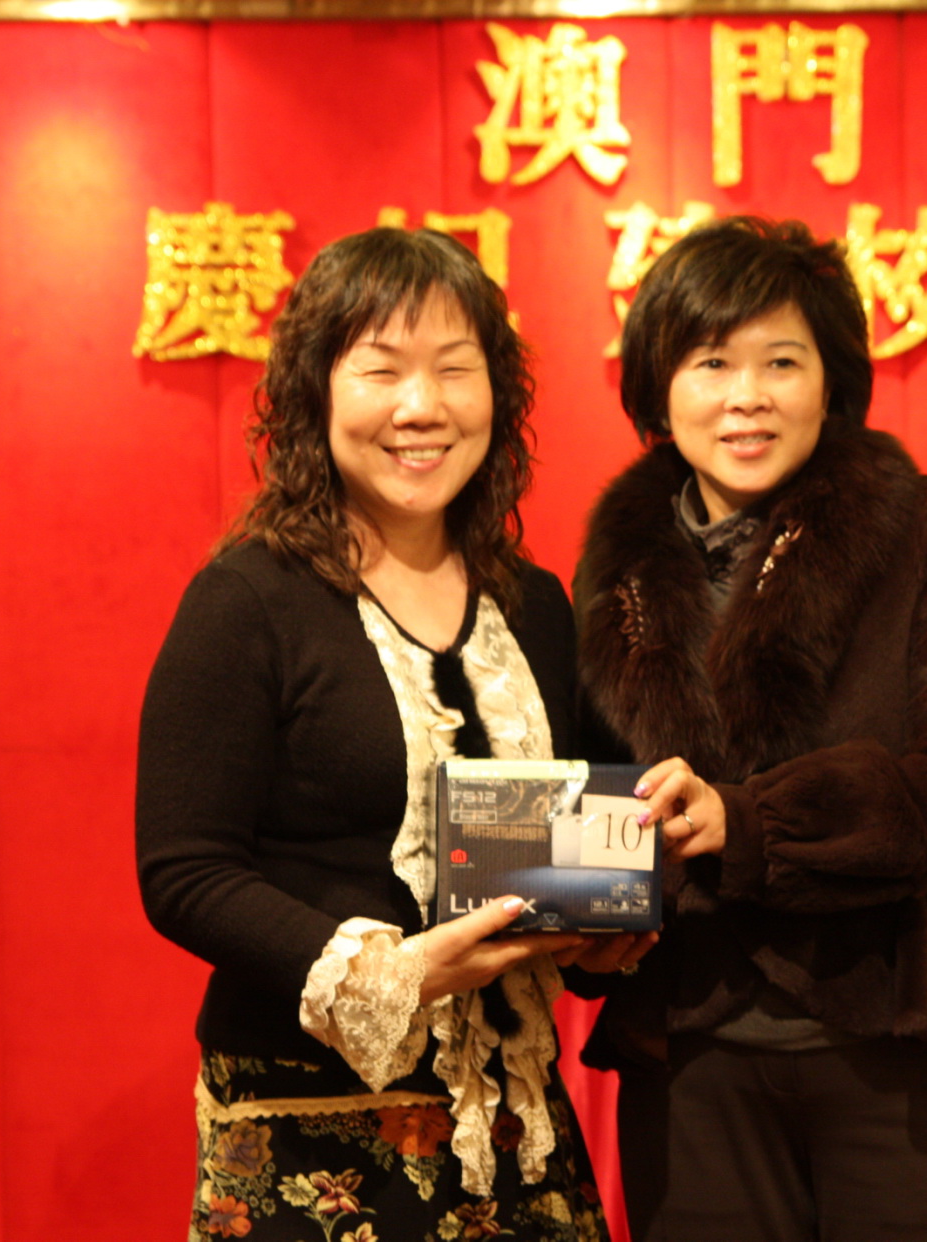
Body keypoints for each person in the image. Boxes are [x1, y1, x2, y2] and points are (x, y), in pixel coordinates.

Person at [136, 226, 646, 1242]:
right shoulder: (247, 600)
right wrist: (398, 973)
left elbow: (571, 835)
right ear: (315, 393)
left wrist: (609, 914)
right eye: (381, 370)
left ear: (497, 395)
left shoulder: (536, 606)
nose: (422, 407)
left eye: (455, 369)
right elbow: (184, 870)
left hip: (515, 1124)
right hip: (306, 1127)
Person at [572, 216, 927, 1242]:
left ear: (832, 380)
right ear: (660, 388)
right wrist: (582, 920)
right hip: (694, 1060)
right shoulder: (616, 572)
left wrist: (750, 823)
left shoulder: (924, 528)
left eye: (781, 362)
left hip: (901, 1043)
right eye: (711, 362)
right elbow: (596, 791)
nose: (745, 395)